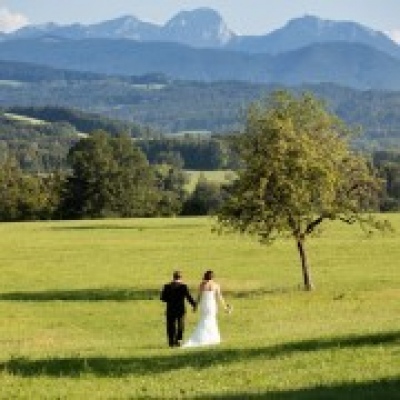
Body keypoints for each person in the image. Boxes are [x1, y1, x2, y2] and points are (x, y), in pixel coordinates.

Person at [182, 270, 229, 348]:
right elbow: (219, 297)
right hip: (212, 305)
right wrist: (225, 307)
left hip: (204, 305)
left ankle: (202, 337)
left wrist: (195, 307)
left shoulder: (202, 285)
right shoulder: (216, 285)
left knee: (204, 320)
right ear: (213, 277)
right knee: (212, 320)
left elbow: (199, 297)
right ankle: (212, 338)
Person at [160, 270, 197, 347]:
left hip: (170, 308)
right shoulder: (183, 286)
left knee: (170, 325)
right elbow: (188, 297)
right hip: (180, 309)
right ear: (180, 277)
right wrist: (194, 304)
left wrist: (170, 299)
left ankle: (171, 342)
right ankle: (178, 340)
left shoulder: (167, 286)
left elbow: (162, 298)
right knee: (181, 325)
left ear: (173, 277)